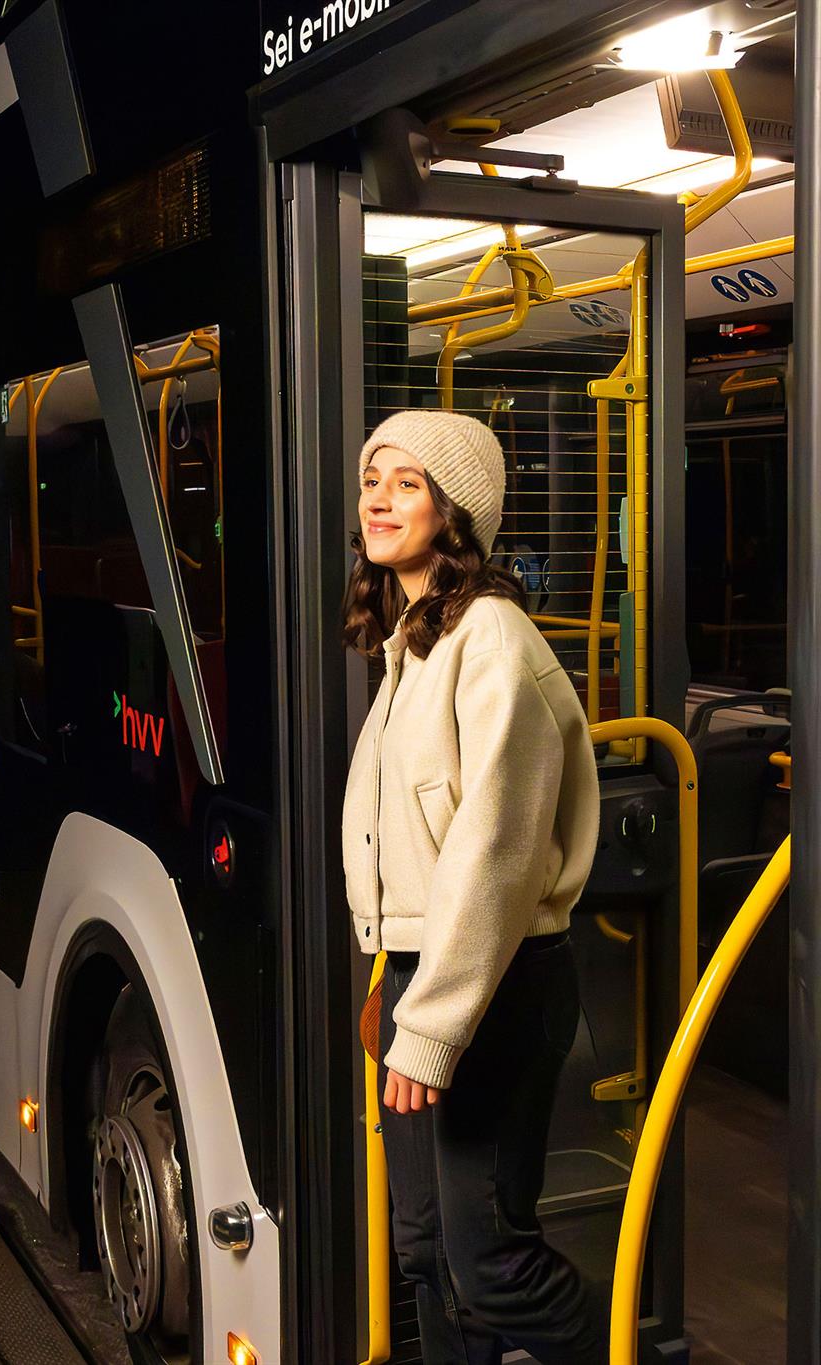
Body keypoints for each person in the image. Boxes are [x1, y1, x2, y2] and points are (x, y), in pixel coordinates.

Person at [340, 410, 606, 1364]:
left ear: (455, 512)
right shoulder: (416, 640)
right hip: (425, 972)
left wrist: (433, 1019)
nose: (378, 499)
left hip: (495, 982)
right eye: (372, 479)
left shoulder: (490, 638)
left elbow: (493, 852)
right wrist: (394, 976)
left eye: (407, 483)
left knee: (490, 1261)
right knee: (426, 1251)